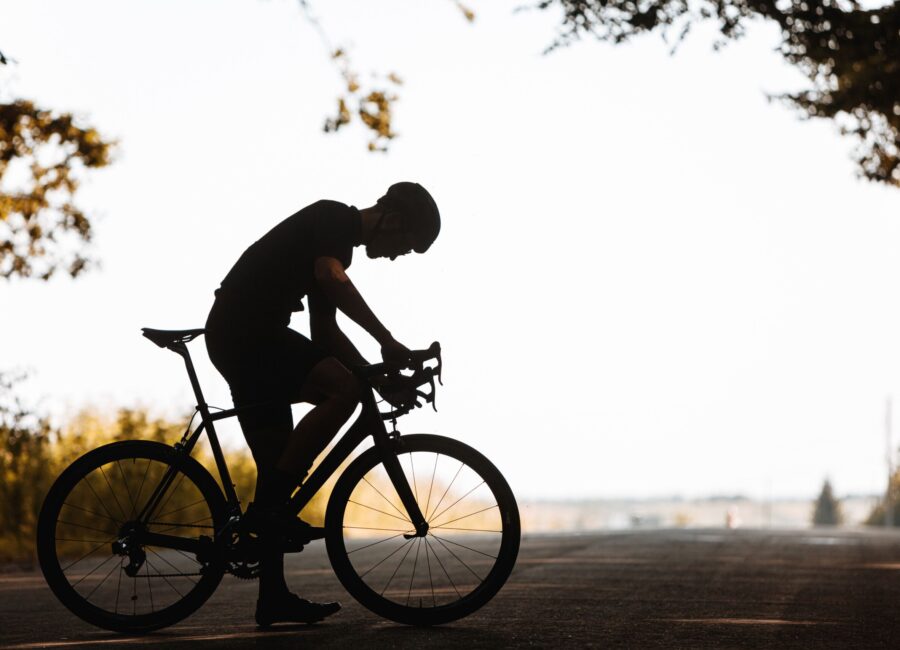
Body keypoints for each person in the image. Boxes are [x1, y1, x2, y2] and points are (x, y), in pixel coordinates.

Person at [204, 182, 440, 626]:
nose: (393, 256)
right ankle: (272, 509)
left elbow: (324, 335)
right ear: (391, 219)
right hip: (246, 334)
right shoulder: (333, 219)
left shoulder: (335, 248)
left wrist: (382, 381)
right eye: (402, 246)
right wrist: (386, 341)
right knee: (343, 390)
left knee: (276, 470)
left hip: (244, 337)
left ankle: (272, 596)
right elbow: (332, 279)